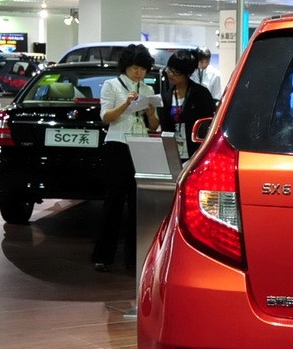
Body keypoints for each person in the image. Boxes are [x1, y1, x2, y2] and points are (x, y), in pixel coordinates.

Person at [92, 43, 159, 272]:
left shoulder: (148, 89)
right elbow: (105, 117)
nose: (139, 73)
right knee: (114, 201)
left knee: (137, 202)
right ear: (126, 66)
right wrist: (126, 104)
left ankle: (134, 258)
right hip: (117, 145)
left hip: (141, 145)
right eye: (135, 68)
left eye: (143, 69)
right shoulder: (112, 85)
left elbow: (154, 125)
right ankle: (104, 256)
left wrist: (151, 112)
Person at [160, 49, 215, 161]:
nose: (171, 74)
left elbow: (210, 123)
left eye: (176, 72)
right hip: (173, 151)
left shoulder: (201, 94)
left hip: (196, 150)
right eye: (169, 70)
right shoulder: (167, 96)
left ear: (187, 73)